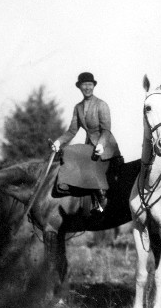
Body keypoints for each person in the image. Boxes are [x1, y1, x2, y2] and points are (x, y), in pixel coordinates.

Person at [51, 72, 121, 213]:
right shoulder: (78, 107)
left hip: (106, 147)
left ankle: (103, 204)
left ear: (93, 86)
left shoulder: (101, 105)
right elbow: (72, 131)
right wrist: (58, 142)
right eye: (84, 85)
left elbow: (106, 130)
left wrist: (101, 144)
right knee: (71, 157)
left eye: (90, 84)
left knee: (93, 170)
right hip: (90, 147)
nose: (87, 87)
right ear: (80, 87)